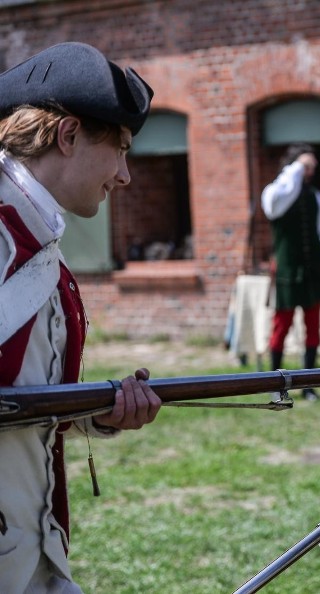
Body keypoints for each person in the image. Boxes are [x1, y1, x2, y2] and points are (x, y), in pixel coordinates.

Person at [0, 42, 162, 593]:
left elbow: (22, 394)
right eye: (118, 148)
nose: (125, 175)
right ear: (67, 136)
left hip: (34, 552)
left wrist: (98, 413)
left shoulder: (37, 238)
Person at [261, 143, 320, 400]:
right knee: (281, 327)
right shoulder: (276, 193)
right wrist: (294, 170)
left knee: (313, 327)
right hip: (287, 267)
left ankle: (308, 384)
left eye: (312, 167)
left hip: (312, 268)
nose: (309, 172)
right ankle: (275, 383)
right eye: (306, 166)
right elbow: (273, 206)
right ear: (293, 166)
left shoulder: (314, 195)